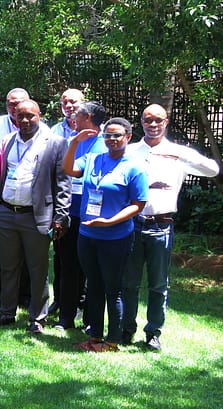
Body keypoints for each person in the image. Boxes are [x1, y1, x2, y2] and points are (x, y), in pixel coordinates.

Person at [123, 103, 219, 350]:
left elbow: (213, 169)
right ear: (141, 122)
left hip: (161, 226)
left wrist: (180, 155)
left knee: (158, 284)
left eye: (158, 120)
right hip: (132, 225)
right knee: (128, 282)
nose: (153, 125)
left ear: (166, 122)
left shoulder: (177, 152)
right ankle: (126, 329)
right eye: (148, 120)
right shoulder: (130, 151)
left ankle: (153, 332)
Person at [63, 117, 148, 352]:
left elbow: (138, 204)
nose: (111, 140)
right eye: (107, 135)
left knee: (113, 289)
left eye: (117, 135)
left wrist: (110, 221)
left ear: (128, 137)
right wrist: (74, 143)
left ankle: (112, 341)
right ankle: (95, 337)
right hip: (87, 235)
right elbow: (69, 169)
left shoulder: (135, 166)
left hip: (116, 237)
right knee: (94, 286)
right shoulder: (93, 159)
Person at [0, 99, 70, 333]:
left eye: (30, 116)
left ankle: (38, 318)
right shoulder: (7, 141)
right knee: (8, 267)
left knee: (38, 269)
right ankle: (6, 312)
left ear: (40, 116)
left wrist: (61, 216)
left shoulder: (55, 143)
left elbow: (63, 183)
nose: (24, 120)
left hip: (36, 216)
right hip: (6, 212)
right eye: (19, 116)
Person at [52, 101, 107, 330]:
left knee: (92, 269)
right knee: (67, 266)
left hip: (94, 216)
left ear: (88, 118)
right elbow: (66, 170)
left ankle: (90, 320)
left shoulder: (105, 145)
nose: (73, 117)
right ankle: (66, 317)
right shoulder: (70, 141)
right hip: (69, 212)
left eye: (78, 114)